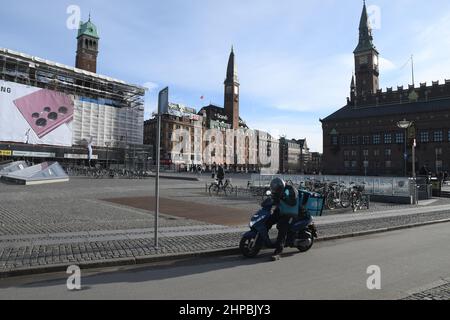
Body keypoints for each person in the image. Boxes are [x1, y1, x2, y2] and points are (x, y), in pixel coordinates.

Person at [265, 178, 299, 261]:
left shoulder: (290, 189)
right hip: (282, 211)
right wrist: (266, 203)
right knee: (267, 221)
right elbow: (275, 200)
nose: (276, 191)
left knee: (282, 228)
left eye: (277, 190)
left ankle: (278, 252)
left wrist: (283, 197)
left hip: (291, 213)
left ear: (281, 187)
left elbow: (292, 201)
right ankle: (262, 241)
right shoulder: (278, 191)